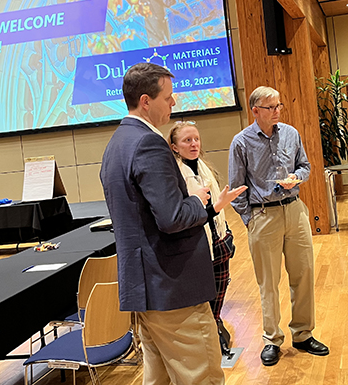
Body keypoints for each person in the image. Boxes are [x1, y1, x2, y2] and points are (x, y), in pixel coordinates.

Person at [100, 62, 245, 385]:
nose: (174, 103)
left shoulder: (116, 144)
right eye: (168, 97)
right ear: (146, 102)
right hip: (173, 289)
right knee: (202, 377)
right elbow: (172, 218)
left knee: (159, 379)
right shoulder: (148, 144)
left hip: (146, 292)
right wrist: (197, 199)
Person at [228, 86, 329, 367]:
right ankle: (271, 339)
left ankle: (303, 334)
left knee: (304, 274)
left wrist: (296, 176)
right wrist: (251, 220)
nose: (276, 112)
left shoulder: (291, 133)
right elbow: (237, 187)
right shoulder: (241, 142)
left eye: (279, 106)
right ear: (255, 110)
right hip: (263, 216)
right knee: (268, 283)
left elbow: (306, 166)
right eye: (270, 107)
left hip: (294, 211)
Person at [169, 121, 237, 357]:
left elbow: (216, 209)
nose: (194, 144)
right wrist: (216, 208)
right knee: (206, 297)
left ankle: (216, 328)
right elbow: (189, 215)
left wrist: (225, 228)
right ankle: (210, 340)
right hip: (198, 245)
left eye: (196, 139)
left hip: (219, 241)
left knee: (220, 292)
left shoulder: (204, 167)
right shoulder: (176, 175)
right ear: (175, 147)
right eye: (187, 140)